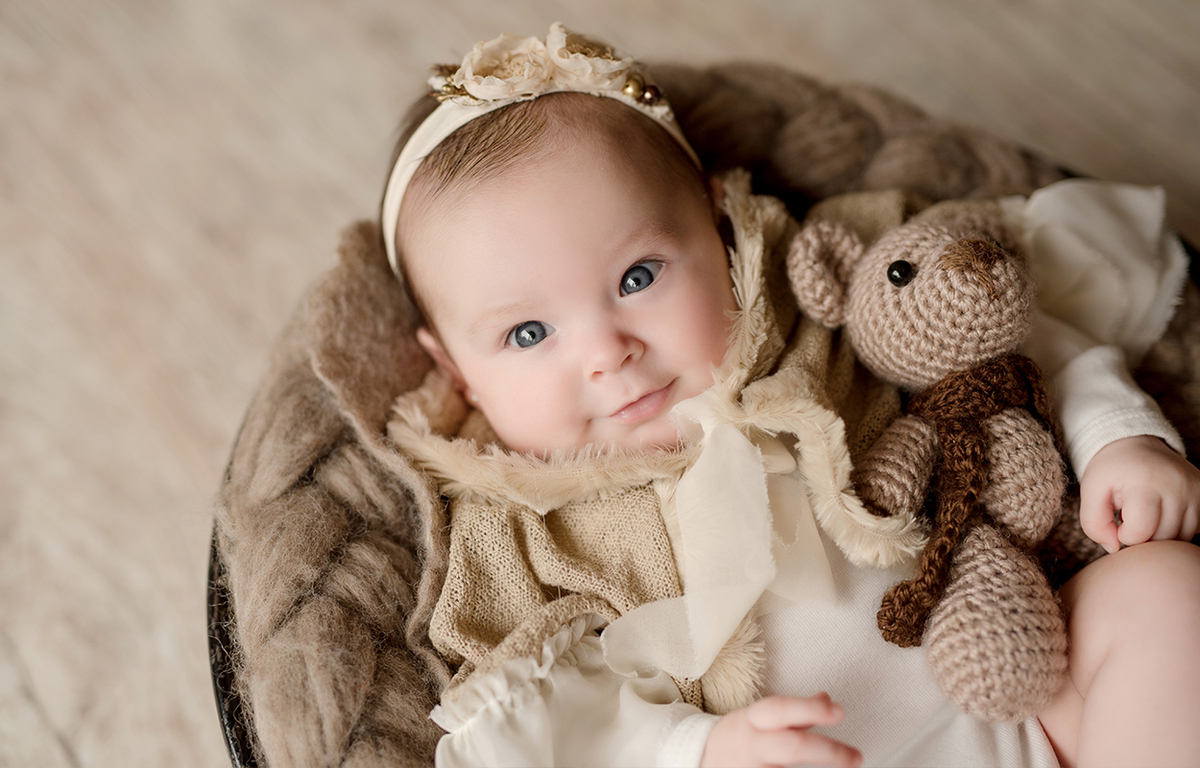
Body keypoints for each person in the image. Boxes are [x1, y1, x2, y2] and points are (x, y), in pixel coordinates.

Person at [380, 24, 1200, 768]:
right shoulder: (517, 536)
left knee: (1164, 593)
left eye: (638, 277)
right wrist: (698, 751)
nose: (606, 352)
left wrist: (1114, 438)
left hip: (1029, 704)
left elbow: (993, 332)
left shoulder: (809, 302)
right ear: (456, 372)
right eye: (528, 334)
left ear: (717, 230)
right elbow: (551, 730)